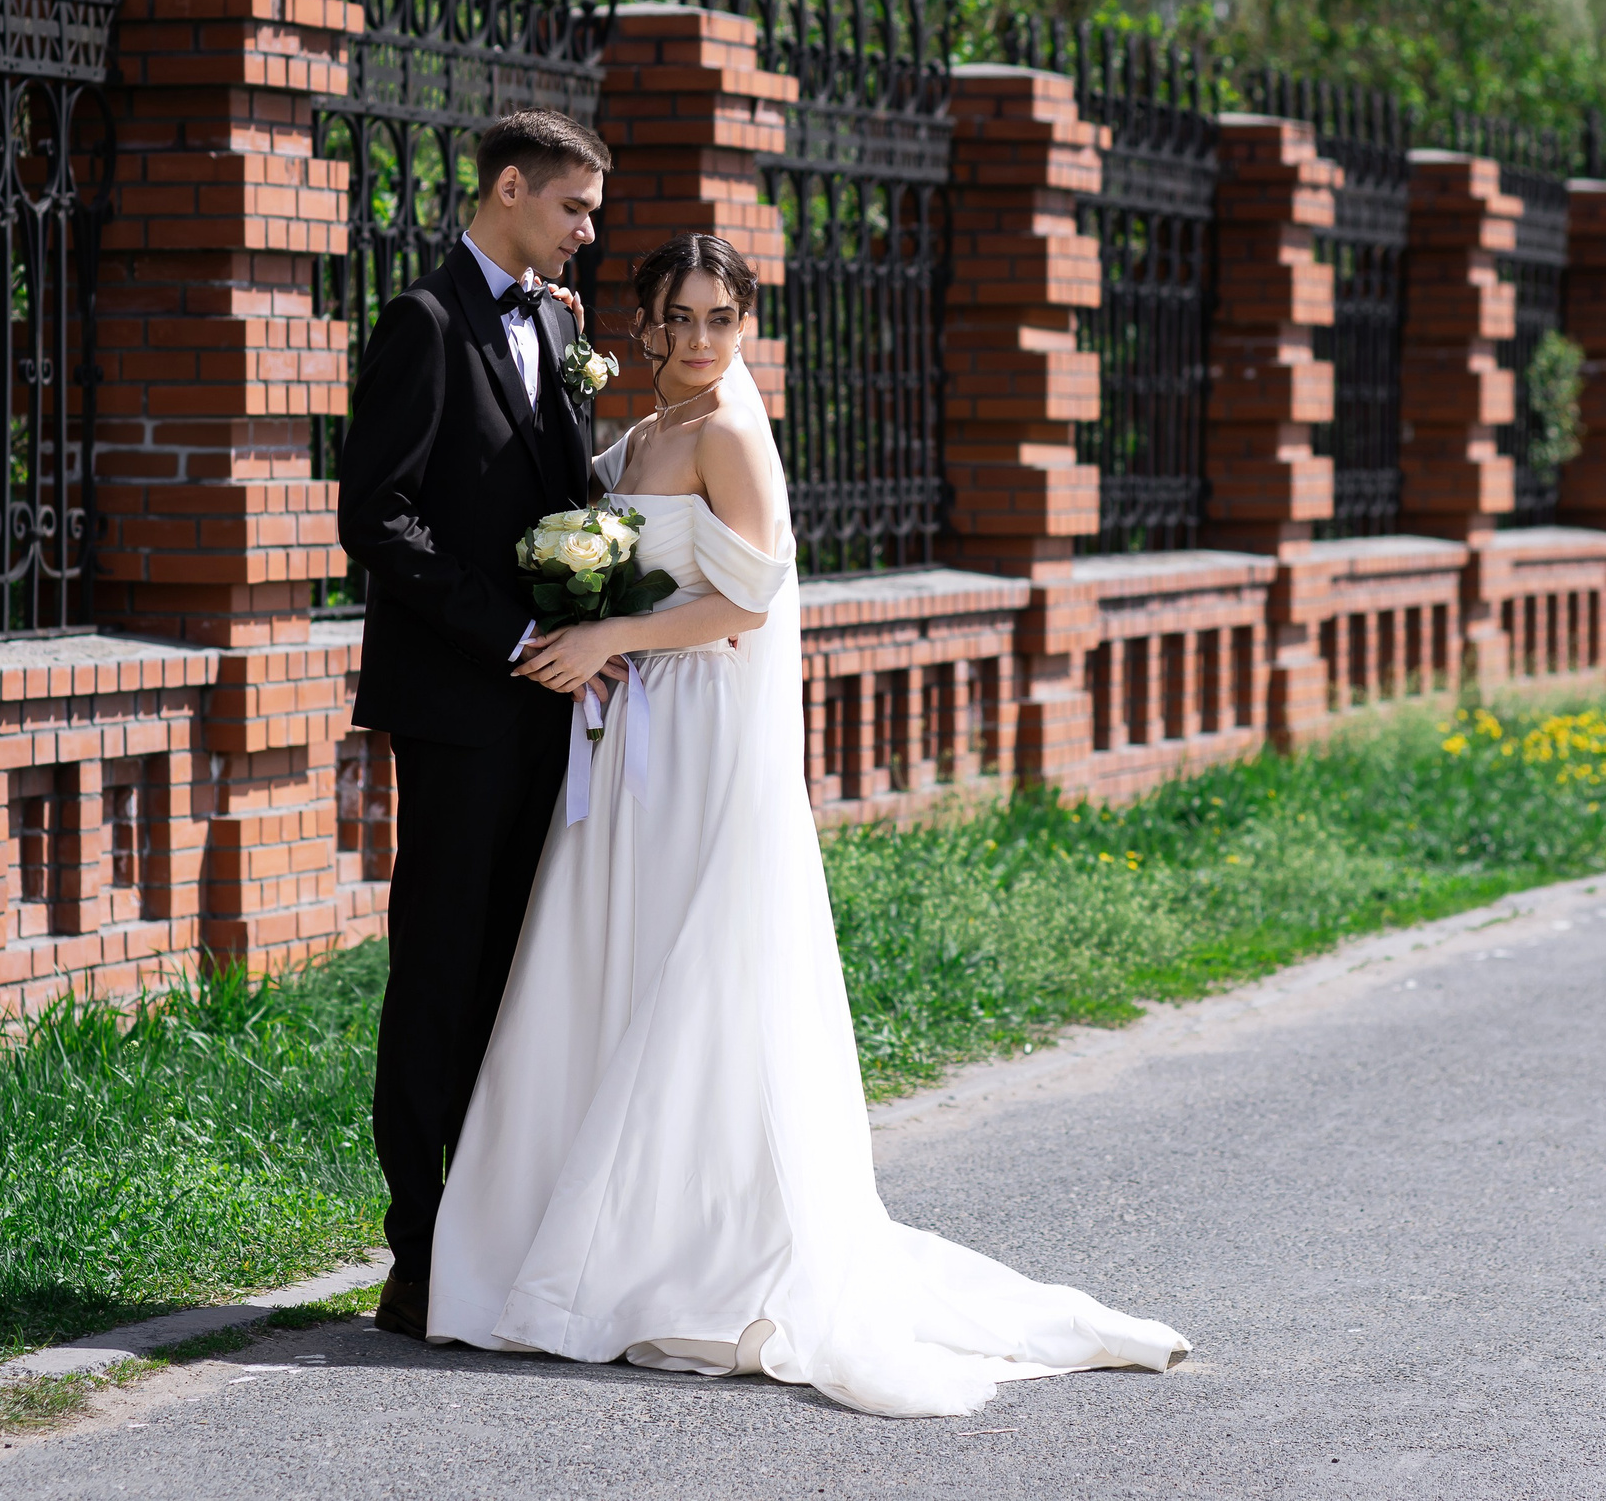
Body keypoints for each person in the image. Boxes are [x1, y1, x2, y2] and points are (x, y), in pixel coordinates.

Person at [425, 233, 1193, 1418]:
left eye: (717, 319)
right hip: (632, 729)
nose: (694, 341)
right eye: (675, 318)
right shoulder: (641, 431)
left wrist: (607, 638)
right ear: (643, 321)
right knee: (609, 964)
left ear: (746, 325)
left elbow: (752, 596)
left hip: (696, 734)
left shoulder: (731, 428)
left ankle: (686, 1252)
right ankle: (609, 1233)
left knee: (690, 967)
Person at [335, 109, 611, 1341]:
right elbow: (377, 520)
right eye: (573, 208)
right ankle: (418, 1254)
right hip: (456, 708)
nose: (587, 232)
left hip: (554, 706)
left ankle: (503, 1236)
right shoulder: (427, 323)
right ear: (510, 188)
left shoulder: (559, 323)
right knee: (440, 972)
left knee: (521, 968)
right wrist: (506, 635)